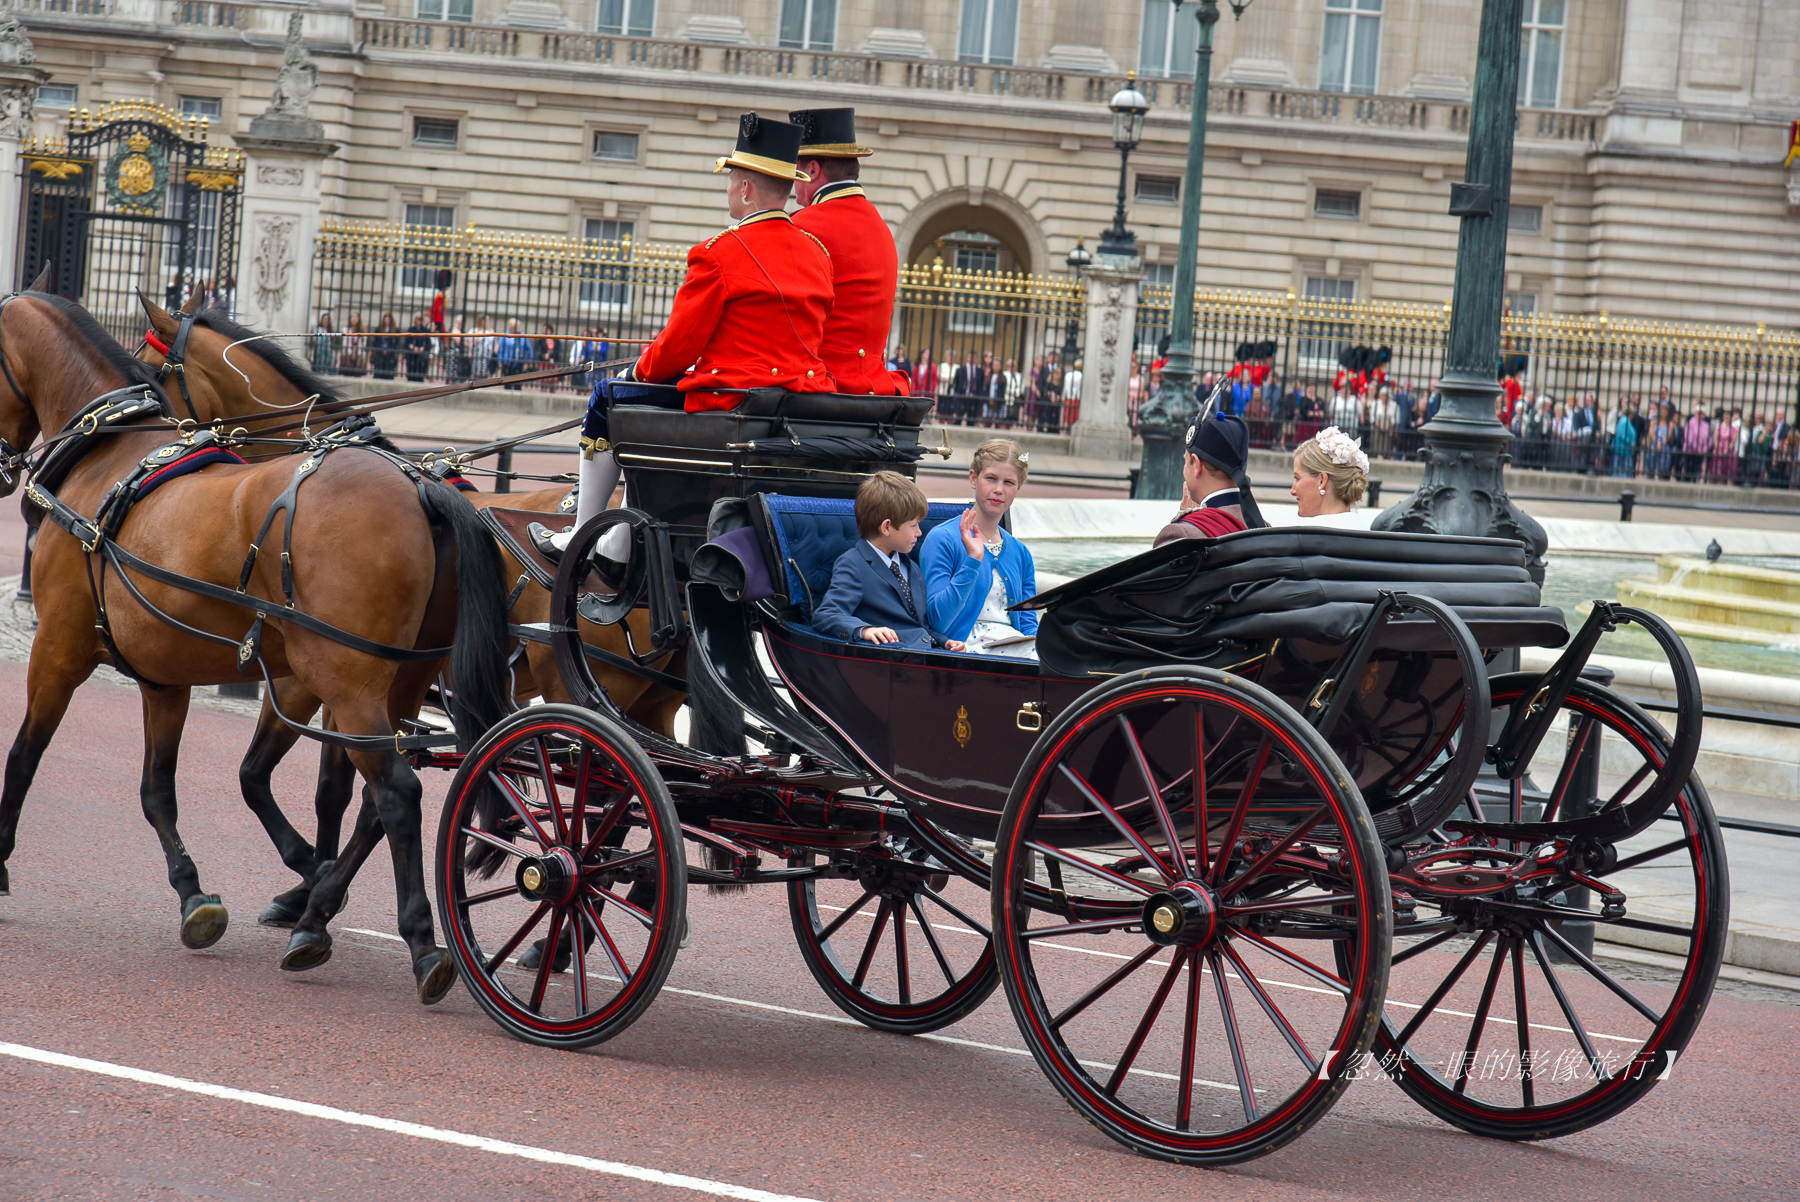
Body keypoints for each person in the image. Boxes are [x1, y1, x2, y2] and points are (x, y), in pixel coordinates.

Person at [563, 112, 835, 545]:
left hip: (730, 403)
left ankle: (582, 532)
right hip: (797, 401)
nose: (729, 189)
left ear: (745, 189)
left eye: (732, 180)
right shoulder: (817, 252)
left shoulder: (718, 253)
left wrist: (633, 374)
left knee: (608, 397)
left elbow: (676, 350)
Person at [789, 107, 908, 397]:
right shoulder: (880, 226)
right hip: (873, 385)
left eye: (795, 172)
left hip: (822, 384)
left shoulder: (802, 225)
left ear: (813, 170)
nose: (793, 185)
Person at [812, 472, 965, 652]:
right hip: (889, 659)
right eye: (913, 525)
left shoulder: (911, 567)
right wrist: (865, 631)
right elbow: (827, 614)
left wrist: (943, 641)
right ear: (886, 527)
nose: (919, 533)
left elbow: (919, 626)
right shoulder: (853, 564)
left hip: (924, 654)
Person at [921, 439, 1039, 659]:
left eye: (1009, 483)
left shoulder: (1020, 552)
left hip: (1014, 646)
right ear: (974, 478)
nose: (998, 490)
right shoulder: (942, 539)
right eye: (991, 479)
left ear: (1018, 488)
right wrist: (973, 560)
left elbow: (1028, 623)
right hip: (961, 647)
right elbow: (938, 619)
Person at [1153, 412, 1267, 547]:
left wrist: (1187, 520)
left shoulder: (1181, 535)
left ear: (1196, 464)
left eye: (1185, 461)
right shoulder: (1264, 530)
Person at [1289, 427, 1369, 527]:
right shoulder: (1366, 531)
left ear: (1322, 480)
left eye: (1297, 478)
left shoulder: (1296, 534)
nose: (1292, 490)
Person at [370, 311, 400, 380]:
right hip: (380, 354)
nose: (387, 319)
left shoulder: (395, 330)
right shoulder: (378, 329)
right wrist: (381, 349)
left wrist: (389, 350)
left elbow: (396, 343)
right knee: (378, 373)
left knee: (389, 373)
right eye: (386, 318)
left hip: (390, 355)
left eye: (389, 318)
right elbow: (375, 342)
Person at [403, 311, 432, 382]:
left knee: (420, 376)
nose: (420, 321)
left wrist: (423, 348)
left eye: (421, 319)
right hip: (412, 356)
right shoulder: (411, 329)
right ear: (415, 320)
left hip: (421, 357)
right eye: (418, 319)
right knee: (411, 375)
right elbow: (406, 342)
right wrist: (411, 346)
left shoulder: (425, 330)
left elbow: (429, 344)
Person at [338, 312, 368, 377]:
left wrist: (356, 352)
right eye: (352, 317)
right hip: (347, 354)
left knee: (357, 374)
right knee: (347, 373)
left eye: (356, 317)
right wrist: (351, 353)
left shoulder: (363, 331)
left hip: (359, 354)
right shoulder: (346, 330)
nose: (354, 319)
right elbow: (345, 343)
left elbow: (363, 345)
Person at [310, 310, 335, 375]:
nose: (326, 321)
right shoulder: (318, 329)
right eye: (324, 319)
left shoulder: (330, 331)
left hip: (328, 351)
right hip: (320, 350)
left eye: (328, 319)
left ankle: (327, 370)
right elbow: (314, 338)